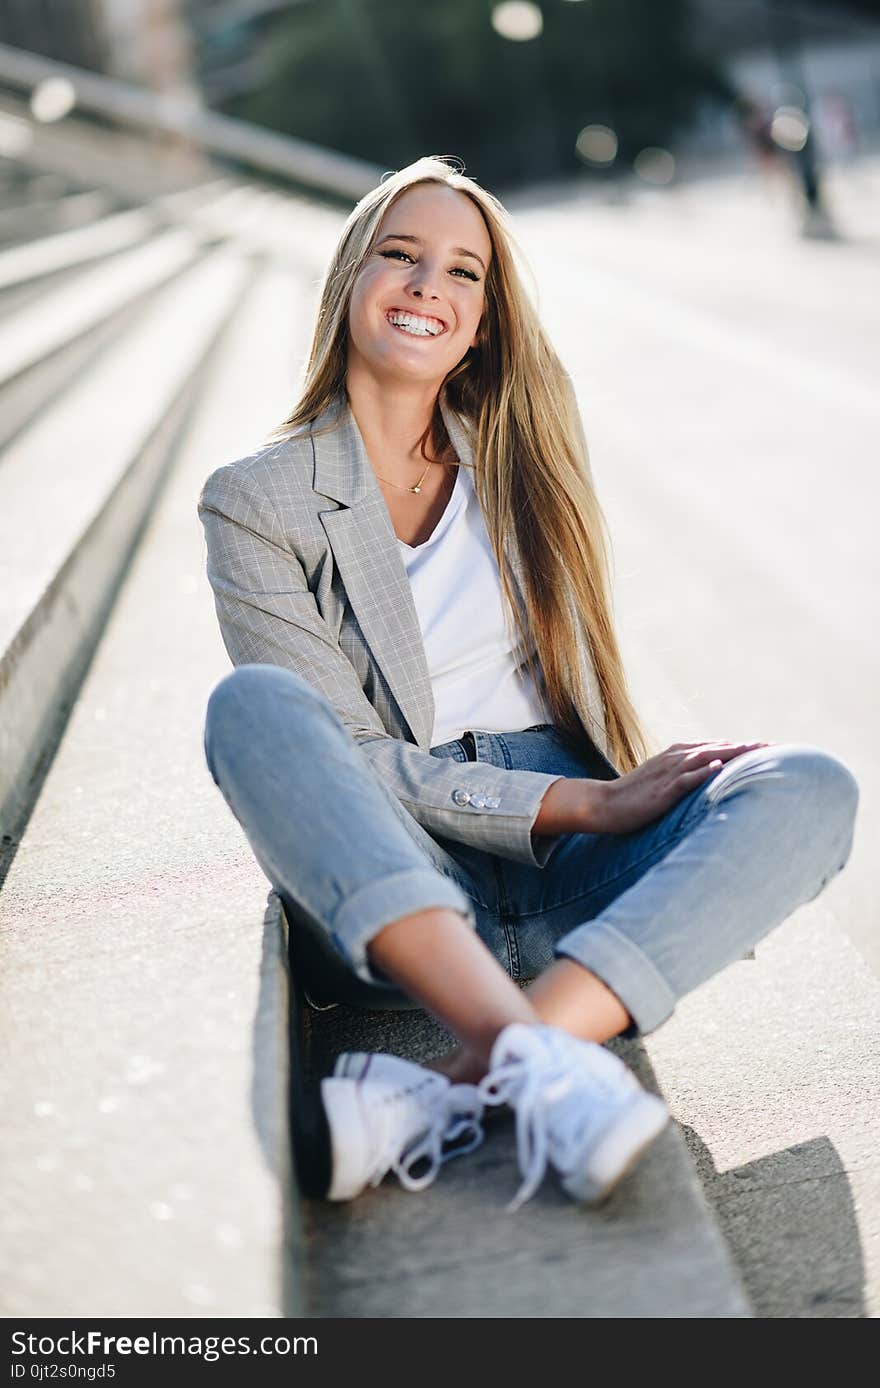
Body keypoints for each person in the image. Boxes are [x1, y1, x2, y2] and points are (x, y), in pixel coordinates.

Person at [198, 155, 858, 1212]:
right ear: (347, 280)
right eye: (400, 256)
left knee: (809, 784)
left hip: (575, 882)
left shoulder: (523, 452)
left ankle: (454, 1088)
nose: (427, 286)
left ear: (483, 322)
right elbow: (356, 758)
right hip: (402, 877)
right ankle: (539, 1054)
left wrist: (597, 807)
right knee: (252, 708)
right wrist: (583, 799)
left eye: (463, 274)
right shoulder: (254, 499)